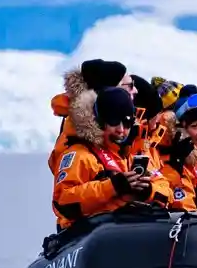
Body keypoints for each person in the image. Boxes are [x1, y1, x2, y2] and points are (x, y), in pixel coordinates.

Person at [51, 77, 171, 229]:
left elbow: (166, 189)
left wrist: (147, 191)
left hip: (123, 231)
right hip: (85, 233)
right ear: (101, 121)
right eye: (114, 122)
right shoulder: (80, 155)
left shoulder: (131, 156)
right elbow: (63, 202)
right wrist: (113, 186)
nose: (121, 130)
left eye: (127, 122)